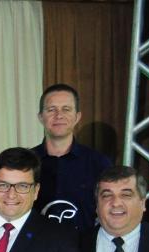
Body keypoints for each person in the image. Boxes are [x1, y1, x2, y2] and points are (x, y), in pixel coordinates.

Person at [31, 84, 111, 230]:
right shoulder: (26, 162)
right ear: (41, 117)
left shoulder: (98, 163)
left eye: (66, 109)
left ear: (77, 117)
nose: (59, 115)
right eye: (51, 109)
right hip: (35, 247)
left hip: (83, 249)